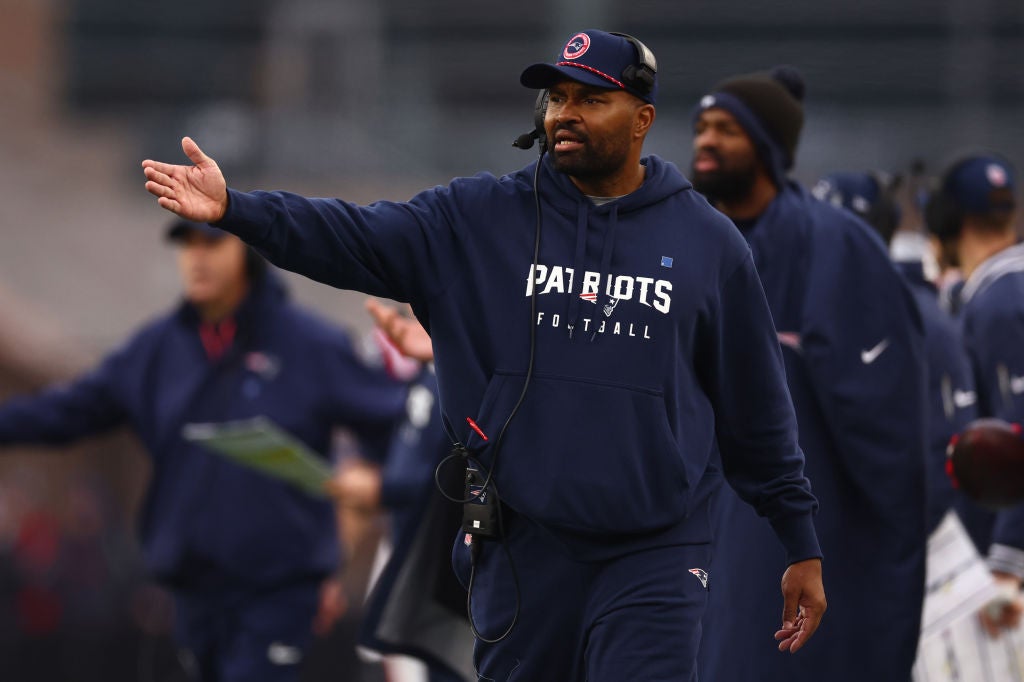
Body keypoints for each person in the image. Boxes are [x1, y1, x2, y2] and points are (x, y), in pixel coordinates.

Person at [142, 29, 827, 681]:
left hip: (656, 549)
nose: (566, 113)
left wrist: (800, 541)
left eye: (592, 99)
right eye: (557, 97)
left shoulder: (708, 243)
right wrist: (238, 208)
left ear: (642, 118)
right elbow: (351, 235)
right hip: (525, 547)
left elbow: (757, 407)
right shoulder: (477, 218)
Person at [0, 219, 407, 682]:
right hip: (187, 597)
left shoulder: (310, 345)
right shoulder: (158, 349)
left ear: (247, 249)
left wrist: (369, 495)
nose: (197, 257)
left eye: (212, 242)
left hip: (277, 594)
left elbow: (399, 428)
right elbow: (70, 410)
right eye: (187, 245)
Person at [689, 68, 929, 681]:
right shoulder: (687, 242)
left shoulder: (833, 247)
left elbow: (887, 438)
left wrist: (876, 554)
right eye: (701, 127)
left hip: (786, 545)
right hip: (687, 547)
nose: (705, 141)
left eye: (726, 128)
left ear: (769, 146)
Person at [813, 171, 979, 534]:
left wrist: (895, 543)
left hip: (901, 549)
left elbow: (948, 449)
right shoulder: (813, 311)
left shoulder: (916, 317)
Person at [329, 299, 473, 682]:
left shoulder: (471, 367)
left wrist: (382, 488)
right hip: (411, 558)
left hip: (454, 574)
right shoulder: (420, 364)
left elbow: (458, 475)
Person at [924, 153, 1024, 636]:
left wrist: (1009, 562)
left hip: (1006, 565)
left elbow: (1017, 434)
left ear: (947, 220)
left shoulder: (1002, 300)